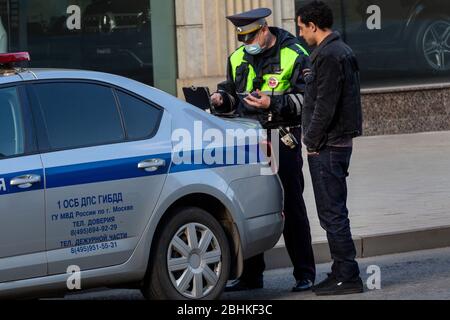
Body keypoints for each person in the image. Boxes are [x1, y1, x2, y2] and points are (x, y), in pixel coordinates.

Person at [211, 8, 316, 292]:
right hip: (248, 140)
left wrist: (272, 104)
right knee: (250, 205)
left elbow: (308, 100)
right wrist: (221, 99)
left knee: (291, 204)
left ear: (264, 30)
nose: (247, 45)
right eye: (242, 39)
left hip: (281, 139)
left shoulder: (294, 53)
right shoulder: (237, 57)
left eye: (251, 37)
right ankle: (251, 275)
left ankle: (304, 273)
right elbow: (233, 94)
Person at [296, 1, 364, 296]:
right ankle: (340, 270)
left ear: (313, 25)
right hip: (332, 143)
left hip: (328, 146)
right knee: (331, 210)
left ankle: (348, 275)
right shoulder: (337, 51)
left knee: (332, 212)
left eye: (301, 27)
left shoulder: (329, 55)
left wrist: (311, 141)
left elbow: (325, 105)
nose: (299, 34)